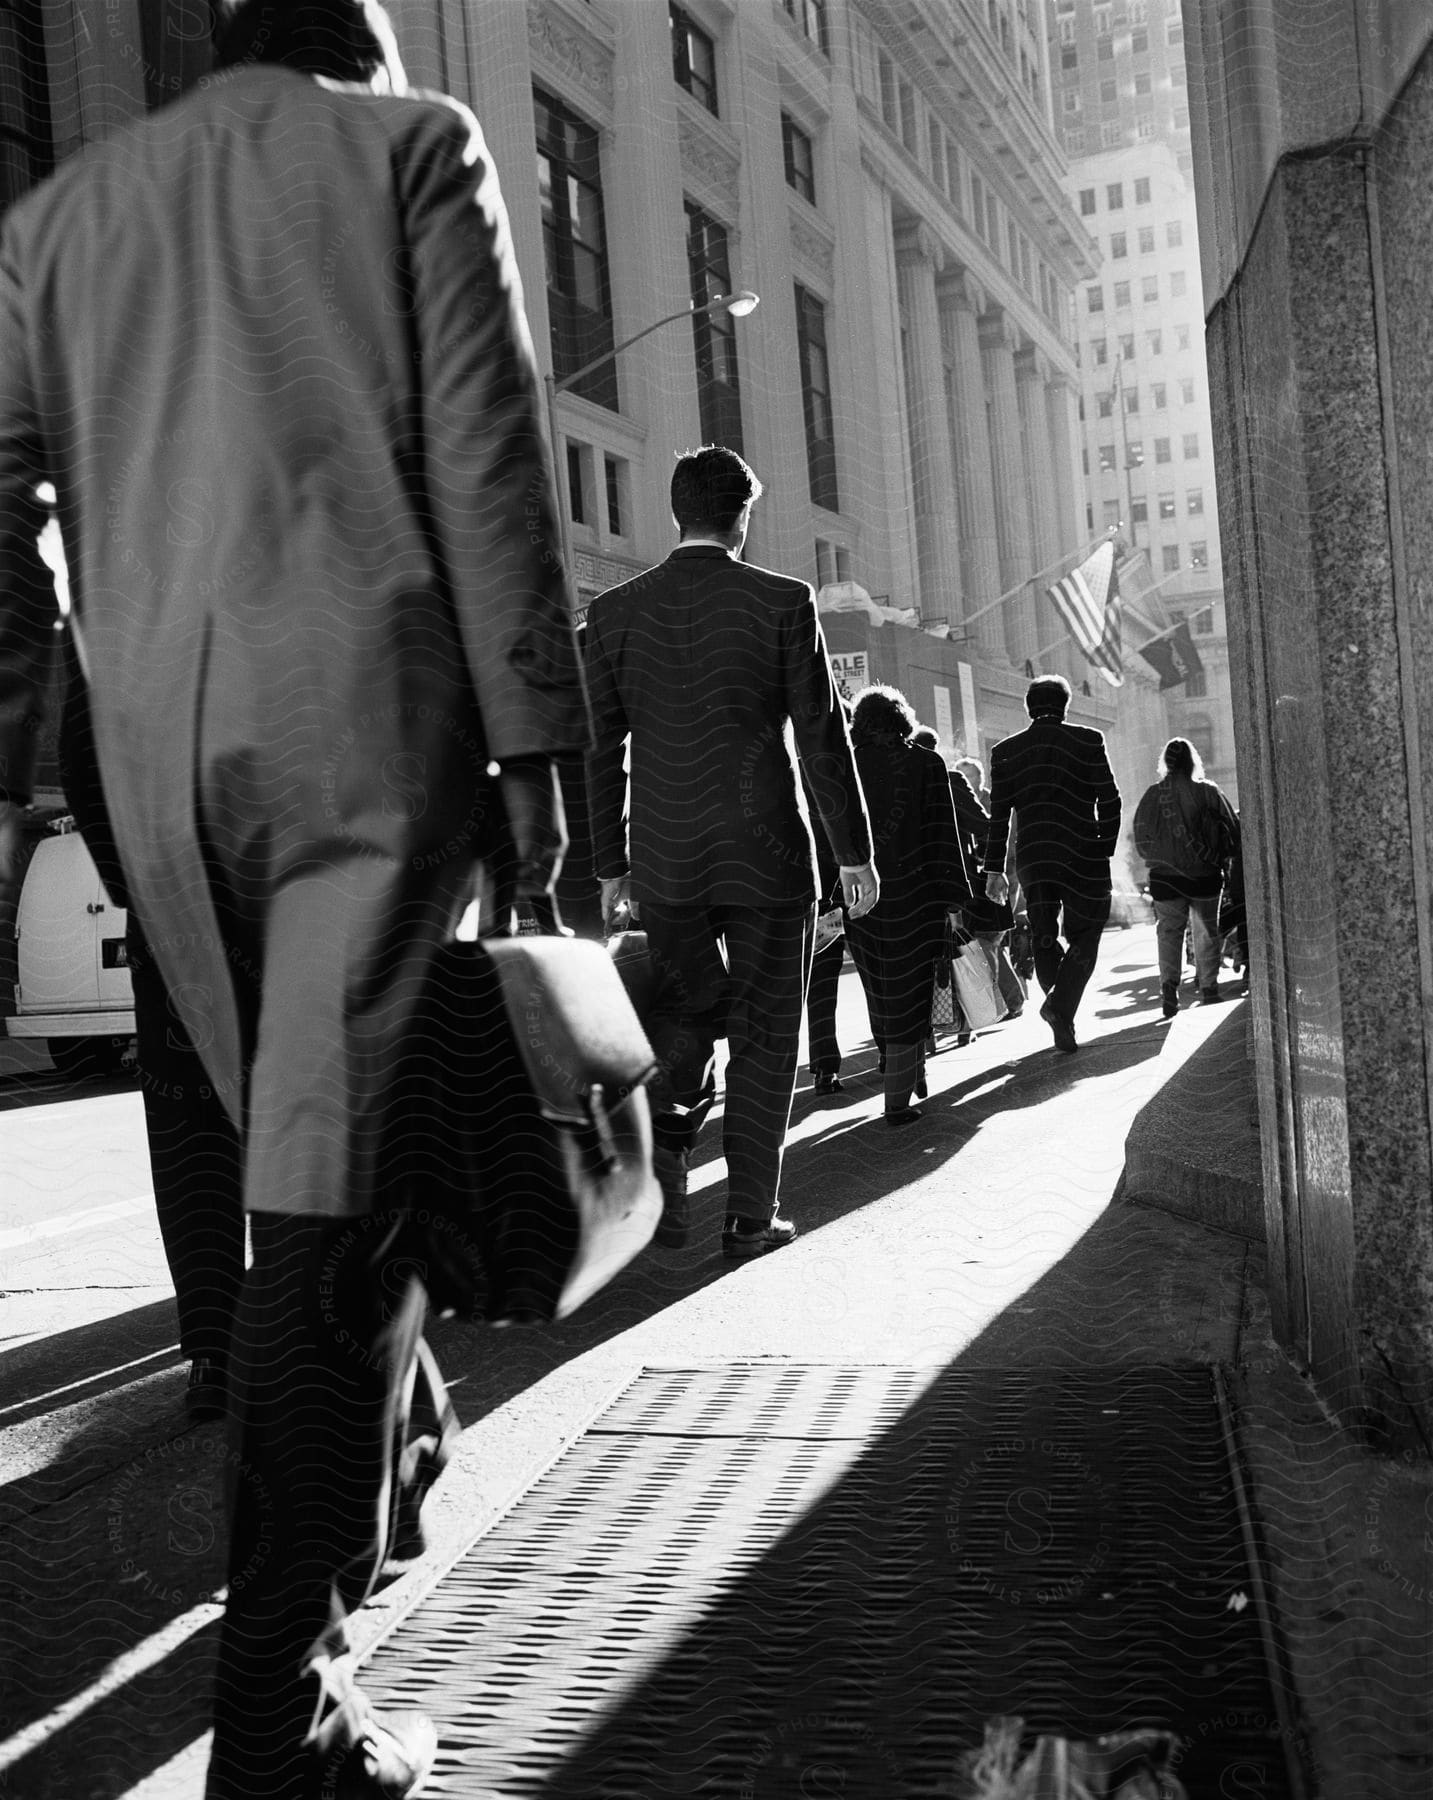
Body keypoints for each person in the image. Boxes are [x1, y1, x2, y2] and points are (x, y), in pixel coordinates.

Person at [0, 5, 588, 1795]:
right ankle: (285, 1710)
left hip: (149, 745)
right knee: (326, 1218)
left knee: (304, 1157)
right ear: (364, 52)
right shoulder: (412, 150)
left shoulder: (64, 215)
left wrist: (53, 679)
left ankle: (382, 1481)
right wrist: (533, 743)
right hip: (356, 715)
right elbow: (484, 448)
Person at [585, 445, 876, 1255]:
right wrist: (853, 853)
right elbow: (821, 736)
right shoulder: (783, 601)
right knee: (765, 1033)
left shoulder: (613, 615)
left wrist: (611, 866)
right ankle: (750, 1217)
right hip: (769, 857)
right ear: (743, 516)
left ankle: (671, 1133)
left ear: (675, 512)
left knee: (687, 1006)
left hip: (665, 859)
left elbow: (598, 753)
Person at [846, 688, 970, 1122]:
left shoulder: (845, 766)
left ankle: (902, 1068)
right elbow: (942, 835)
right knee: (912, 990)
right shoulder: (927, 763)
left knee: (878, 988)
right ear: (903, 719)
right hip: (918, 898)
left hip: (859, 899)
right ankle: (900, 1091)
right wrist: (954, 898)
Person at [984, 675, 1121, 1054]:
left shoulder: (1006, 751)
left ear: (1028, 708)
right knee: (1087, 934)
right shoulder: (1089, 740)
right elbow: (1110, 799)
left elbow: (999, 818)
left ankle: (1061, 1010)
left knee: (1044, 934)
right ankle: (1060, 1007)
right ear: (1066, 705)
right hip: (1083, 854)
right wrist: (1104, 847)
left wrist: (994, 869)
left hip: (1035, 856)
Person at [1132, 737, 1240, 1015]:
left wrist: (1160, 858)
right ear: (1193, 761)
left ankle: (1169, 987)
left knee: (1169, 933)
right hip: (1204, 875)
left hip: (1166, 879)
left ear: (1165, 763)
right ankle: (1209, 988)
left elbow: (1141, 839)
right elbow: (1233, 830)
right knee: (1206, 931)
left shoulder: (1152, 796)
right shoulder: (1209, 792)